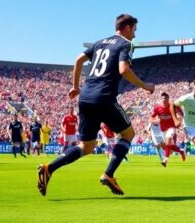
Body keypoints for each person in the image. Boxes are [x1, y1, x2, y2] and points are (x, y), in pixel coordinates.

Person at [37, 14, 154, 196]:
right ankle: (109, 174)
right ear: (128, 27)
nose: (135, 36)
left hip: (85, 97)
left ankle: (49, 168)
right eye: (135, 31)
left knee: (87, 147)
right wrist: (145, 86)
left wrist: (75, 86)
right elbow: (124, 69)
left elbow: (78, 60)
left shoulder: (99, 42)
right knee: (128, 133)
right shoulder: (125, 44)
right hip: (104, 97)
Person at [150, 92, 186, 167]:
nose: (164, 100)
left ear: (168, 99)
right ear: (161, 99)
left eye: (165, 98)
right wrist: (154, 121)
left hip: (171, 127)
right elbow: (152, 117)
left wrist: (179, 121)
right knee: (167, 145)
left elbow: (181, 114)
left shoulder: (173, 106)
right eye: (162, 98)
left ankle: (165, 160)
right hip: (163, 129)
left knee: (168, 140)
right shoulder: (157, 108)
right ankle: (181, 151)